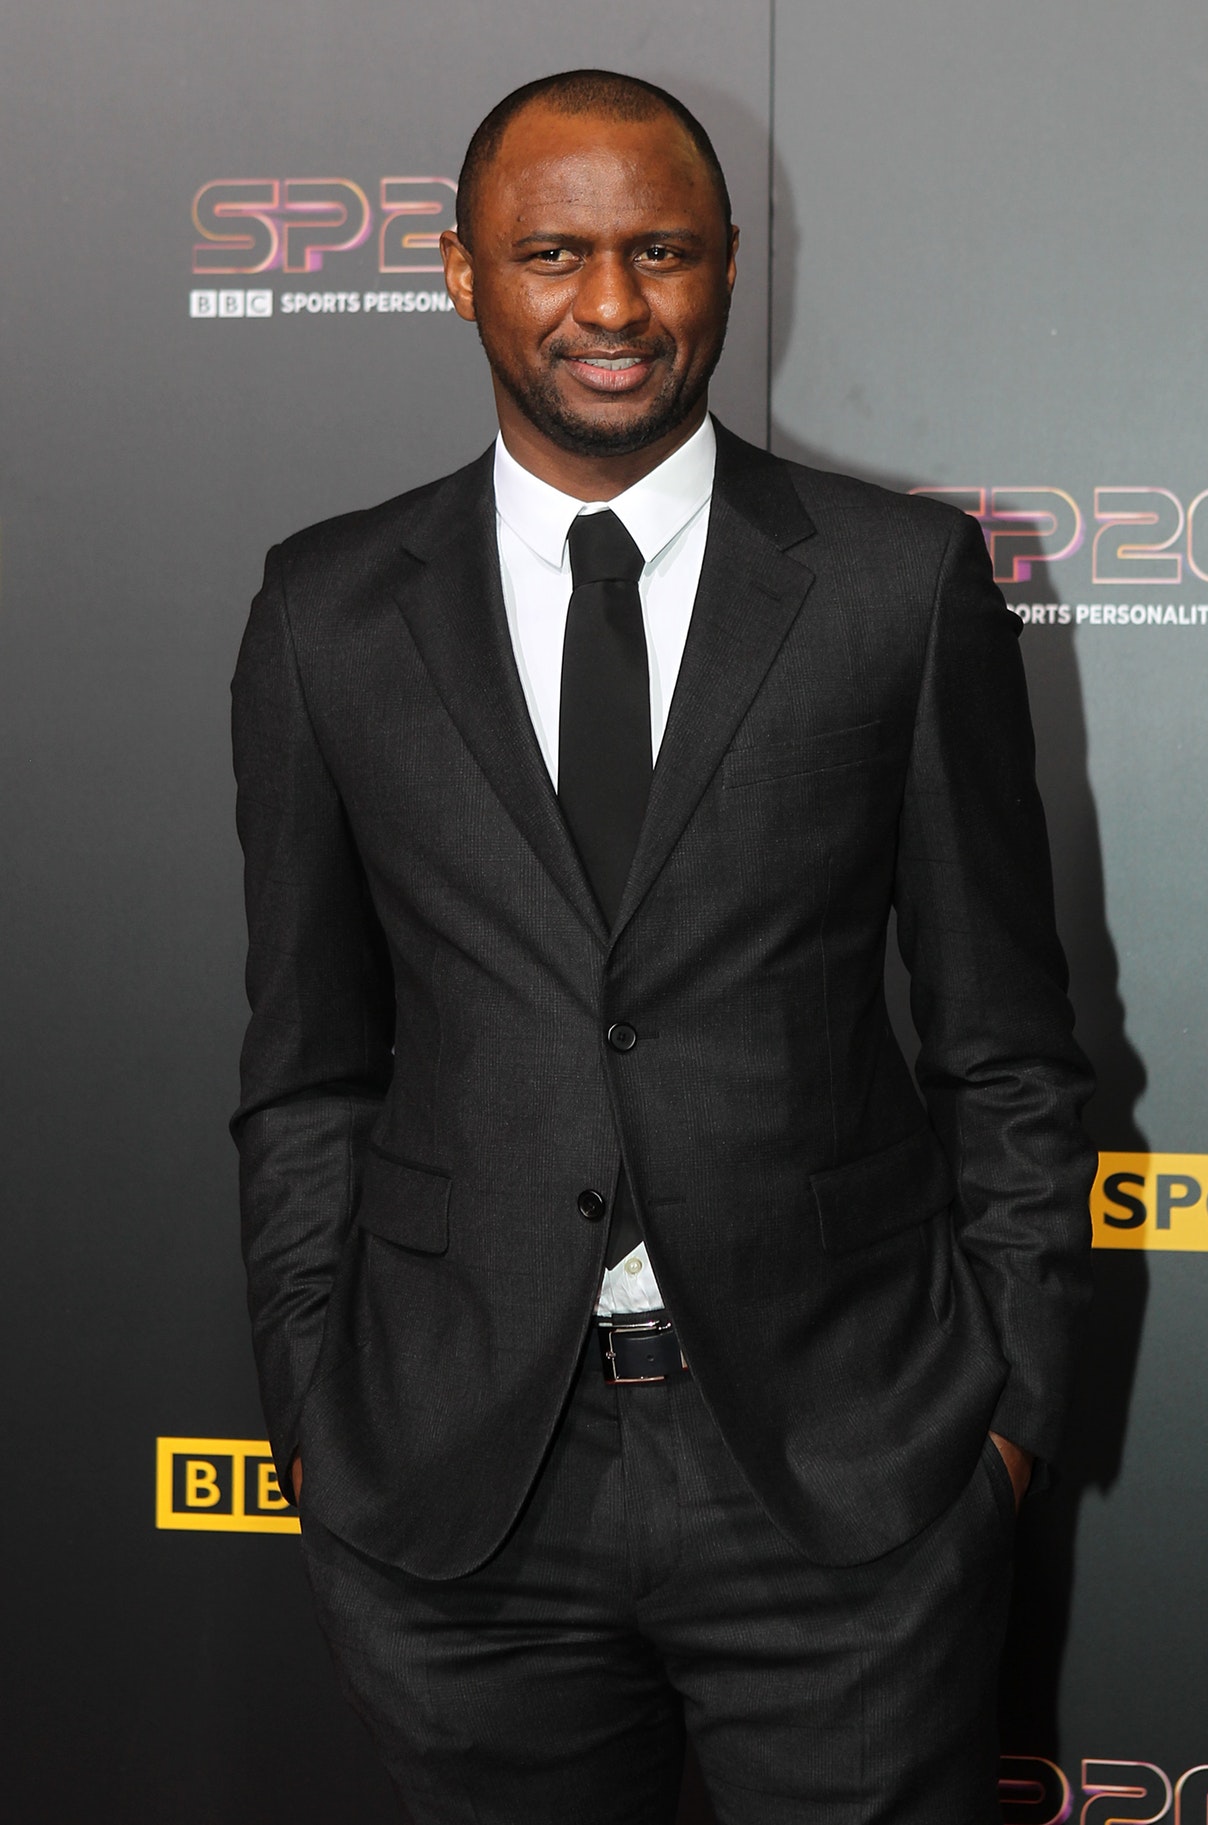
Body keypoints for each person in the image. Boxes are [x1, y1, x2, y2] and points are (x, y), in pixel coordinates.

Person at [231, 68, 1095, 1825]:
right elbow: (307, 1063)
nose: (613, 304)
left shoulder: (897, 582)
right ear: (462, 272)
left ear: (728, 267)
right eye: (554, 253)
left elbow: (1006, 1044)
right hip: (458, 1487)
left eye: (663, 252)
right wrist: (317, 1407)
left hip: (847, 1474)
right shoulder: (328, 611)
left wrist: (1001, 1423)